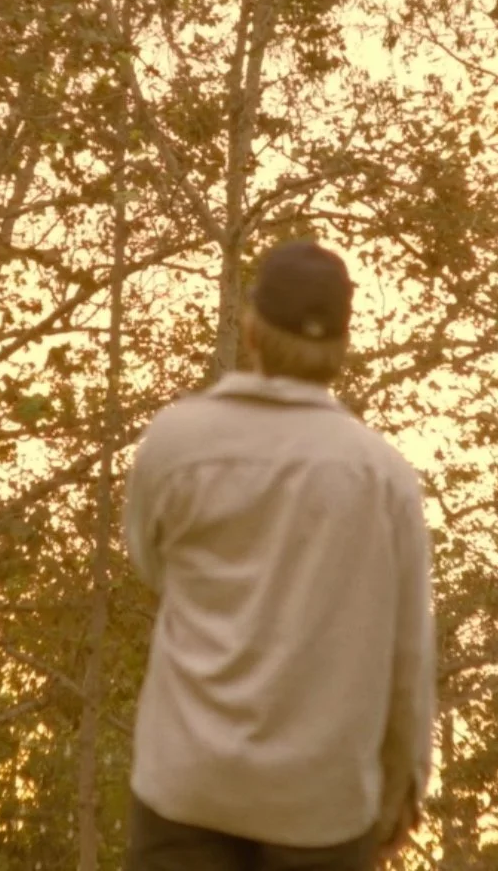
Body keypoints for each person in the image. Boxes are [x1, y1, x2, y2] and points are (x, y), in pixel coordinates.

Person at [124, 240, 436, 870]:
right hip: (320, 806)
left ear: (251, 329)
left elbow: (153, 566)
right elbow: (407, 653)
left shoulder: (177, 442)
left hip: (188, 783)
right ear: (342, 349)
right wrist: (402, 785)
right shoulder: (383, 477)